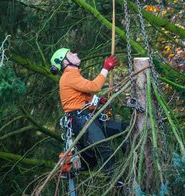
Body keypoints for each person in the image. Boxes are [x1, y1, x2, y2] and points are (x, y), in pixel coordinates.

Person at [50, 48, 127, 176]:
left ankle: (130, 161)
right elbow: (94, 87)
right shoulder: (69, 75)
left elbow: (83, 97)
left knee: (124, 128)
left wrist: (99, 101)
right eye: (70, 54)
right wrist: (106, 68)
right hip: (82, 120)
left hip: (88, 118)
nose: (75, 53)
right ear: (65, 63)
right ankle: (116, 182)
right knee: (104, 149)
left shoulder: (72, 75)